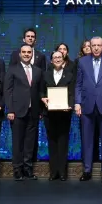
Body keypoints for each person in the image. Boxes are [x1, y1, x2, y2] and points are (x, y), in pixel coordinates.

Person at [75, 36, 102, 182]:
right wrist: (77, 102)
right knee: (86, 140)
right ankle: (87, 170)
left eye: (98, 45)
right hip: (87, 105)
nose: (95, 48)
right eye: (93, 45)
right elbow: (78, 84)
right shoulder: (82, 61)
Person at [5, 44, 44, 180]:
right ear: (20, 54)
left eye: (29, 52)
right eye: (24, 52)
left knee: (29, 142)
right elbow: (8, 91)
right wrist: (10, 110)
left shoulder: (38, 71)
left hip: (33, 112)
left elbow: (40, 91)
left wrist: (40, 110)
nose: (26, 54)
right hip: (17, 111)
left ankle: (28, 169)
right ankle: (17, 169)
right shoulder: (12, 69)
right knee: (17, 142)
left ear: (32, 54)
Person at [42, 50, 76, 180]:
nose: (57, 59)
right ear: (51, 61)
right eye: (55, 57)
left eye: (59, 57)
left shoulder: (70, 75)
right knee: (51, 142)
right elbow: (40, 91)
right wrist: (43, 98)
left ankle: (62, 172)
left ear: (64, 59)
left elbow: (72, 93)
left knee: (63, 142)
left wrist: (70, 105)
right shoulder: (45, 75)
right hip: (49, 114)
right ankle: (53, 172)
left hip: (64, 114)